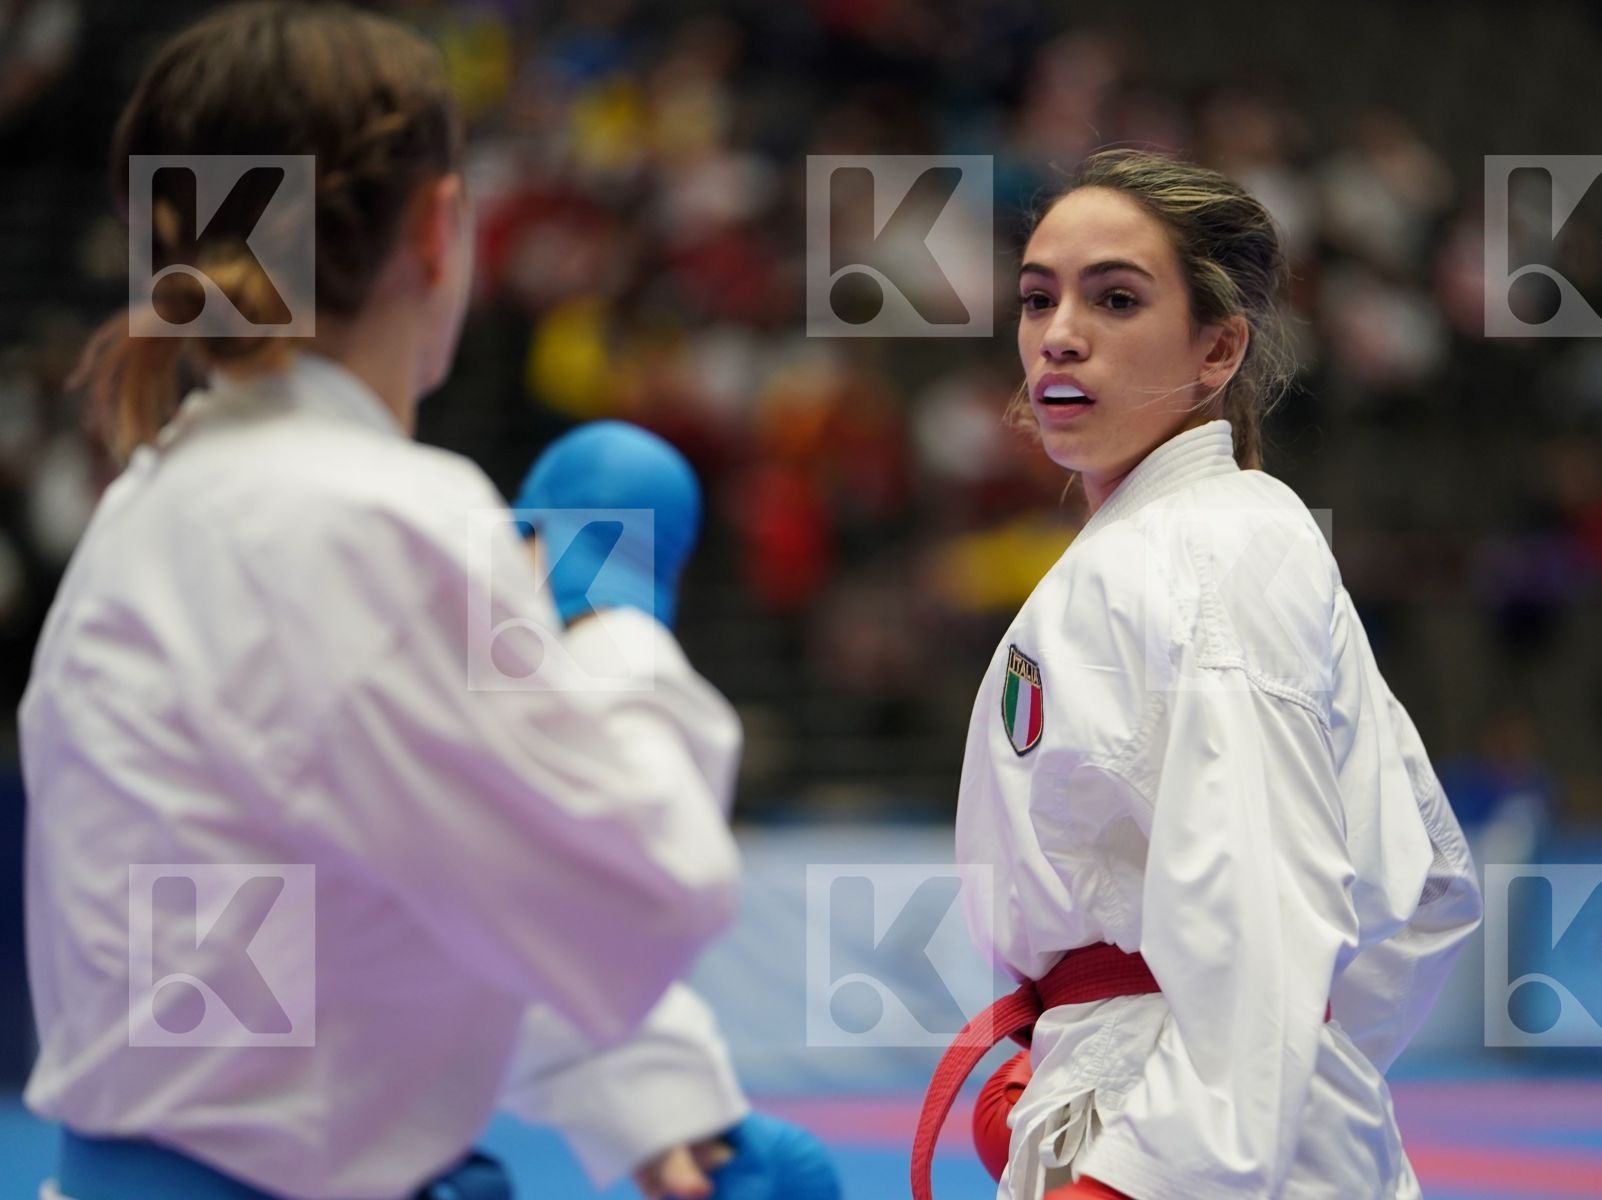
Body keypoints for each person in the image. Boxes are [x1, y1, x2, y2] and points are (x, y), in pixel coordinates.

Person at [21, 5, 740, 1198]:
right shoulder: (374, 522)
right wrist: (613, 618)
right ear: (440, 228)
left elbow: (415, 886)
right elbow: (644, 884)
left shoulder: (155, 501)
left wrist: (656, 1111)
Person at [911, 150, 1483, 1200]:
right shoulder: (1186, 541)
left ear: (1218, 349)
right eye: (1038, 298)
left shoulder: (1215, 546)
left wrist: (1158, 1151)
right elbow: (1432, 893)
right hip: (1194, 1115)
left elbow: (1267, 911)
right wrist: (1089, 1052)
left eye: (1116, 298)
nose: (1060, 333)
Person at [506, 420, 842, 1200]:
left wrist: (669, 1119)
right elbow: (664, 886)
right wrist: (684, 1114)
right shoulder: (617, 668)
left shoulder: (537, 661)